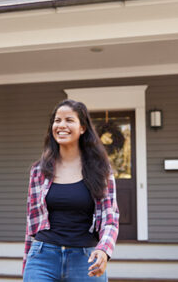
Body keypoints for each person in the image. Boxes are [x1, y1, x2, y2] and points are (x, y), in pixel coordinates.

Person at [22, 99, 120, 282]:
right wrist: (28, 262)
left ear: (82, 128)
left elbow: (110, 218)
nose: (61, 125)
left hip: (85, 258)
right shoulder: (38, 171)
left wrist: (104, 250)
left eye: (69, 120)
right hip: (43, 257)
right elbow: (32, 223)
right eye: (57, 120)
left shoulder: (101, 169)